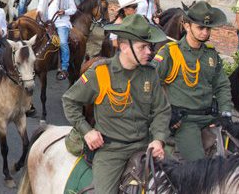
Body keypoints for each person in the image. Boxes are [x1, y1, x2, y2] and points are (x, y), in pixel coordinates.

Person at [62, 14, 171, 193]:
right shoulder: (100, 73)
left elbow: (162, 110)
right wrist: (87, 131)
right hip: (111, 151)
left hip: (145, 146)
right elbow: (69, 101)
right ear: (124, 47)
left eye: (149, 46)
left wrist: (158, 140)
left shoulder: (150, 74)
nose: (149, 52)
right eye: (143, 47)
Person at [153, 1, 234, 161]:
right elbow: (150, 85)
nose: (205, 32)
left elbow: (222, 85)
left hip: (209, 116)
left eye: (208, 28)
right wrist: (166, 113)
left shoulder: (211, 55)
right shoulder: (170, 53)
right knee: (199, 165)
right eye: (200, 27)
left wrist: (225, 112)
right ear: (187, 26)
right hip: (184, 121)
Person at [36, 0, 77, 80]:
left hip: (61, 22)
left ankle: (64, 67)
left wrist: (64, 12)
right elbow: (40, 6)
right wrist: (39, 12)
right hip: (46, 22)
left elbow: (73, 9)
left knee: (63, 42)